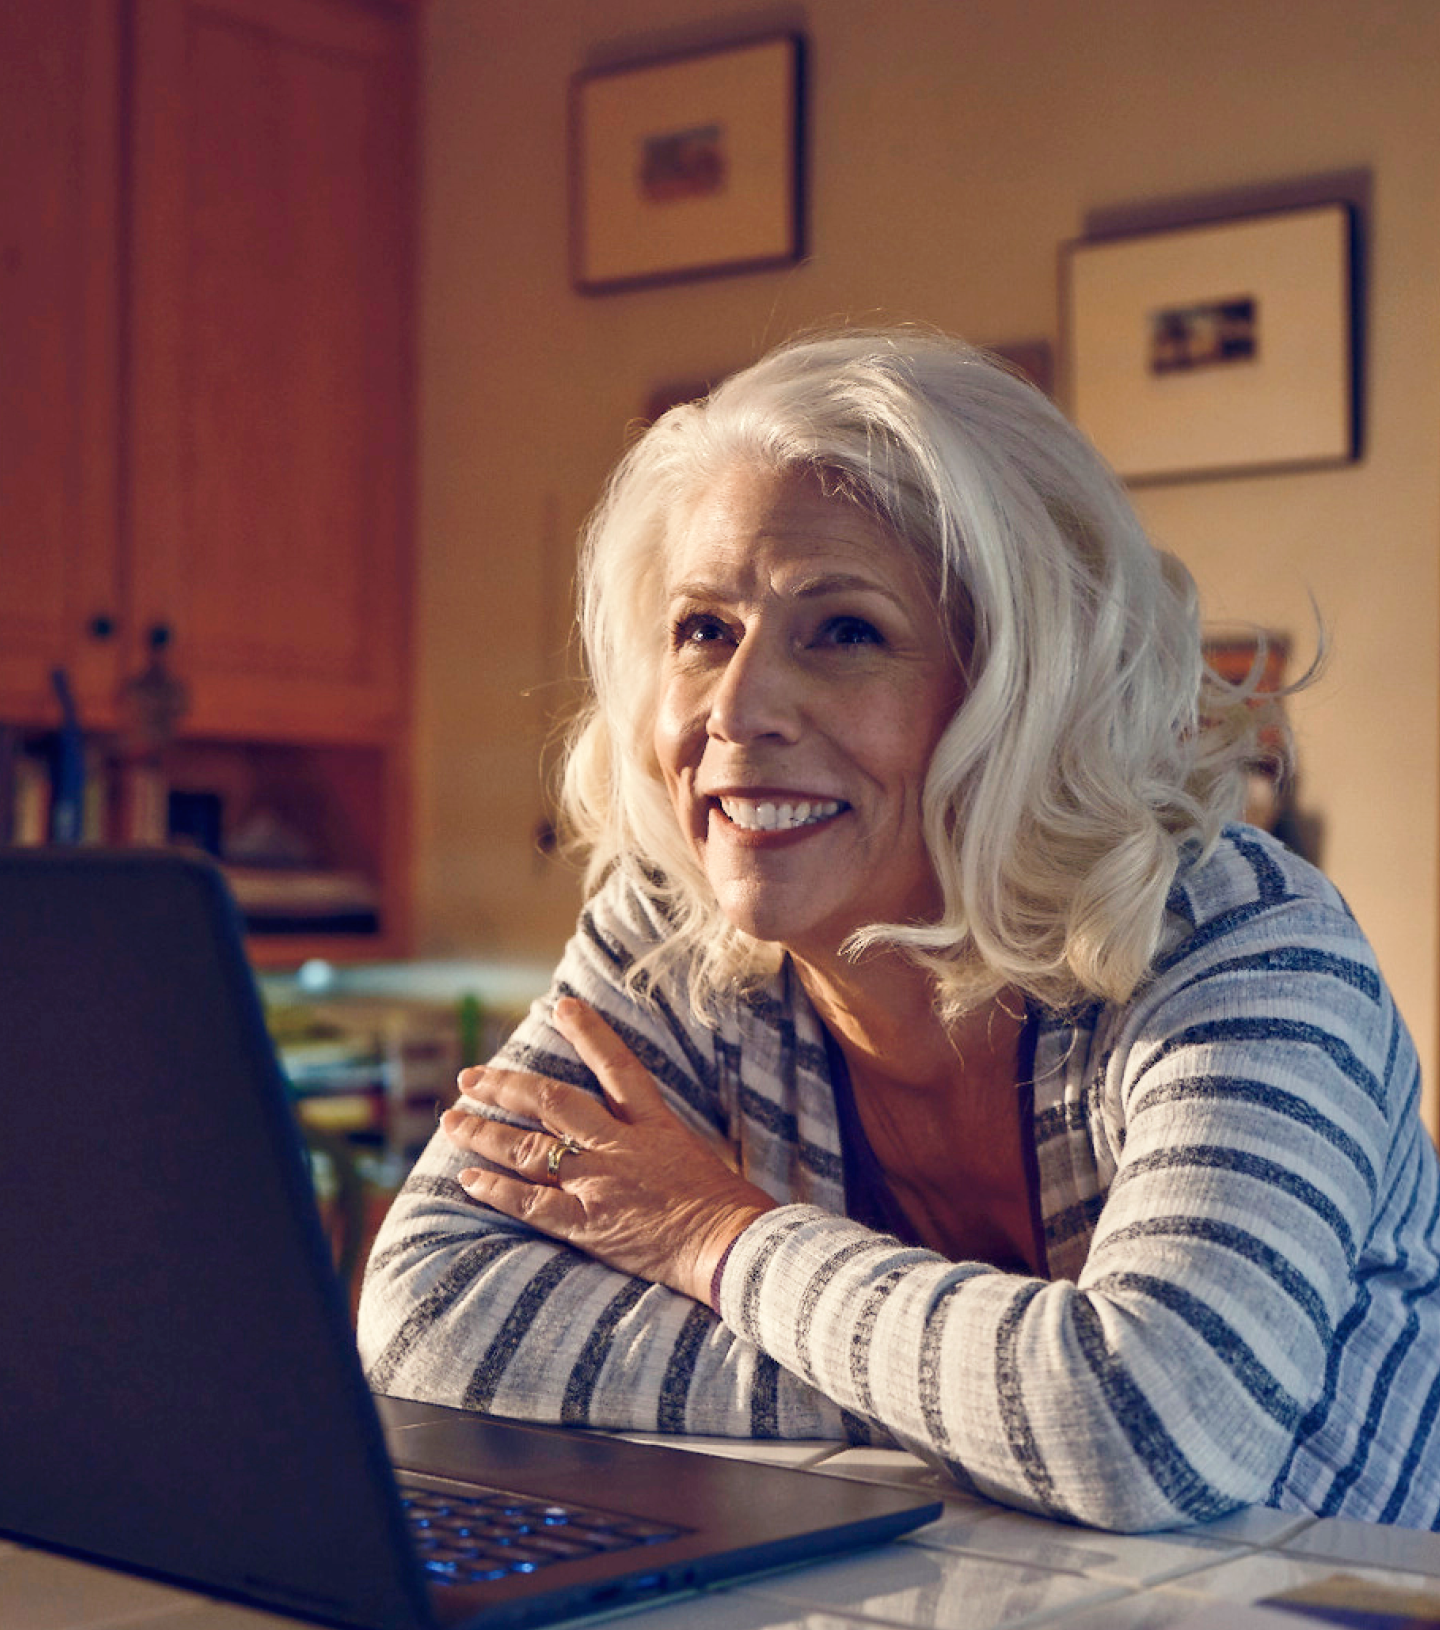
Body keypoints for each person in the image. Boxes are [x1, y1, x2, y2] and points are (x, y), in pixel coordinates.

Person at [358, 330, 1440, 1532]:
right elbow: (426, 1307)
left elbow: (1147, 1426)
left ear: (1021, 687)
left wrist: (717, 1237)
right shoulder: (665, 935)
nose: (737, 708)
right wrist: (974, 1398)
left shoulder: (1243, 947)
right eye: (704, 628)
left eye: (846, 631)